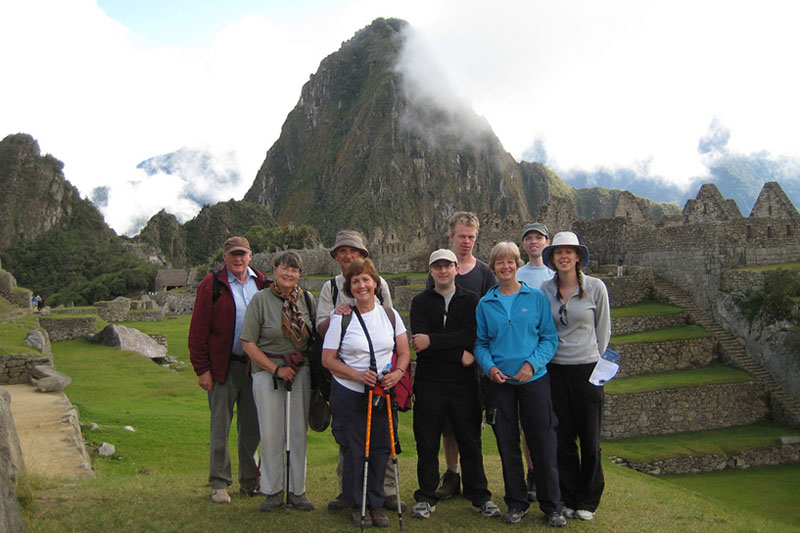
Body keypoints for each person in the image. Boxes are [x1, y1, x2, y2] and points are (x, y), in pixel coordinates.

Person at [474, 242, 566, 527]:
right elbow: (481, 343)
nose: (505, 267)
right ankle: (516, 502)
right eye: (499, 262)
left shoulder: (535, 298)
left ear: (517, 264)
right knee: (507, 441)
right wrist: (489, 368)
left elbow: (549, 338)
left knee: (543, 440)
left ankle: (552, 505)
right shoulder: (485, 304)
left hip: (533, 379)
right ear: (493, 267)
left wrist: (531, 365)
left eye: (510, 261)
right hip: (500, 382)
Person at [409, 249, 501, 521]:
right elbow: (420, 344)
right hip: (430, 381)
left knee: (470, 439)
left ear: (456, 269)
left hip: (463, 384)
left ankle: (479, 495)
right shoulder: (420, 302)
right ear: (431, 271)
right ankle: (426, 496)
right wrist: (457, 352)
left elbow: (471, 334)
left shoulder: (471, 301)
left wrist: (435, 341)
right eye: (437, 267)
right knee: (427, 441)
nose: (443, 271)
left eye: (447, 266)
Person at [315, 229, 401, 512]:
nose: (348, 255)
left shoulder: (381, 287)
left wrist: (395, 371)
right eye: (343, 251)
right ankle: (349, 493)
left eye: (353, 251)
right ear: (337, 257)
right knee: (350, 440)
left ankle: (383, 491)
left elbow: (387, 327)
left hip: (379, 380)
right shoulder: (330, 286)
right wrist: (337, 316)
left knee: (381, 440)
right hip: (346, 377)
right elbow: (322, 329)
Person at [188, 236, 266, 504]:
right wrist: (202, 369)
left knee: (252, 428)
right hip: (223, 367)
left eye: (242, 254)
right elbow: (198, 330)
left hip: (254, 368)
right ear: (224, 256)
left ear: (250, 256)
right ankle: (219, 483)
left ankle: (249, 481)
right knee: (220, 426)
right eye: (233, 254)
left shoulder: (261, 283)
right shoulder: (213, 285)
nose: (238, 259)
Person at [423, 211, 495, 501]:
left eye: (471, 237)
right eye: (461, 236)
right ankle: (452, 475)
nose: (466, 241)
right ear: (451, 236)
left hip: (473, 360)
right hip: (446, 361)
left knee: (470, 424)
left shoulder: (484, 273)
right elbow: (432, 316)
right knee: (448, 426)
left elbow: (490, 316)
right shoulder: (440, 271)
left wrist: (473, 351)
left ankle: (475, 480)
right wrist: (455, 352)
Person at [541, 232, 610, 522]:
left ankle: (588, 499)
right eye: (558, 253)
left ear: (578, 256)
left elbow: (603, 330)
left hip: (587, 369)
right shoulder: (546, 289)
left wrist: (595, 363)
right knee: (563, 437)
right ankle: (568, 495)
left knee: (590, 438)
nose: (564, 257)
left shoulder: (595, 288)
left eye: (569, 252)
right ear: (553, 258)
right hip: (556, 369)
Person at [240, 251, 316, 512]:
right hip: (267, 371)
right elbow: (248, 342)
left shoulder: (306, 299)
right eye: (284, 268)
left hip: (300, 370)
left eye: (294, 270)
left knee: (297, 432)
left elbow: (314, 336)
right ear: (274, 270)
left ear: (299, 274)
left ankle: (297, 491)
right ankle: (272, 490)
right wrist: (275, 369)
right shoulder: (260, 300)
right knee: (271, 433)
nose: (289, 274)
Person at [515, 222, 554, 501]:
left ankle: (552, 473)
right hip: (528, 356)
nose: (533, 242)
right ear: (524, 245)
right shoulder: (517, 275)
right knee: (528, 424)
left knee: (551, 422)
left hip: (554, 355)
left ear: (546, 242)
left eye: (538, 238)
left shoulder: (554, 275)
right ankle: (532, 471)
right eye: (529, 238)